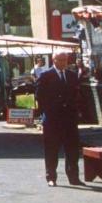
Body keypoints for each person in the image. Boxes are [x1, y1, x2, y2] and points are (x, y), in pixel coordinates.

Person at [35, 50, 85, 186]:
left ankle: (74, 177)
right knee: (52, 149)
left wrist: (77, 112)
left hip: (69, 119)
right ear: (54, 60)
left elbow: (77, 95)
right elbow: (39, 97)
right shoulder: (45, 76)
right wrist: (46, 113)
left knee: (72, 150)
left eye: (65, 60)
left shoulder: (72, 76)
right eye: (60, 60)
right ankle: (51, 177)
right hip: (52, 119)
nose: (63, 63)